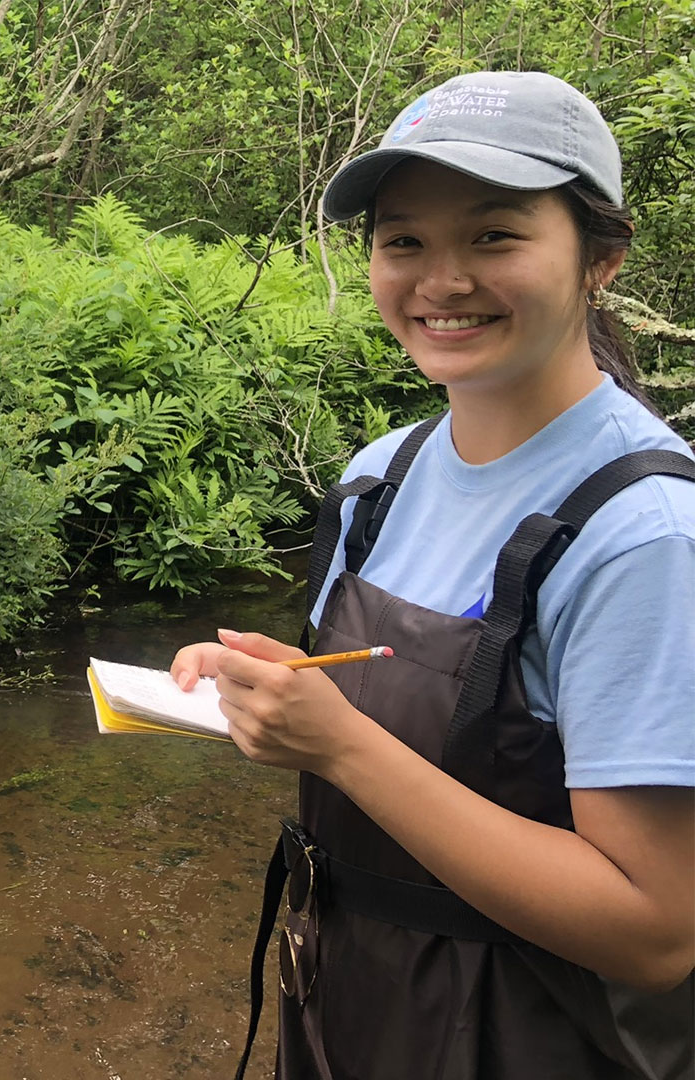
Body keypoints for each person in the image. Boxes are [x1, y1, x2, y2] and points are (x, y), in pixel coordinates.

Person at [169, 72, 694, 1079]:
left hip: (527, 1038)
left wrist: (341, 745)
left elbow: (653, 929)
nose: (441, 281)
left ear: (602, 258)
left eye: (494, 236)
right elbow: (374, 711)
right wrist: (272, 691)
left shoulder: (645, 537)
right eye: (403, 241)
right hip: (344, 1002)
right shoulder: (383, 475)